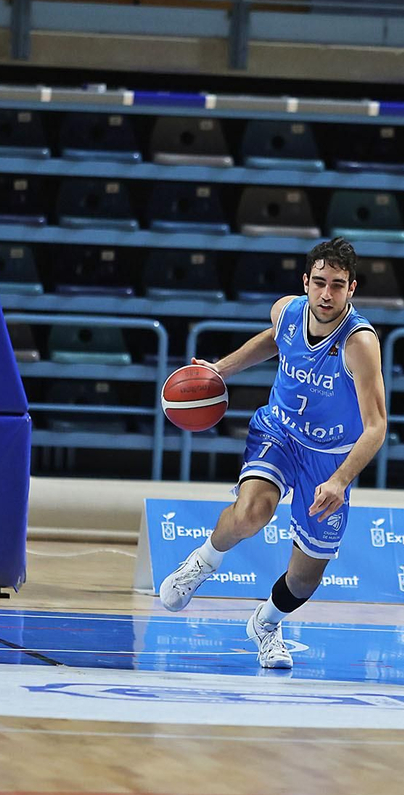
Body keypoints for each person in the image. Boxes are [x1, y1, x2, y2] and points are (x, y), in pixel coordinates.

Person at [159, 238, 387, 669]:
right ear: (305, 282)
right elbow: (272, 339)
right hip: (280, 430)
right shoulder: (288, 310)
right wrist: (220, 368)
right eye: (319, 283)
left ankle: (266, 622)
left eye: (337, 285)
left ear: (352, 289)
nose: (326, 294)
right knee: (251, 513)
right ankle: (202, 562)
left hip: (331, 456)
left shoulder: (359, 343)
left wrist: (339, 479)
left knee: (304, 578)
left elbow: (377, 426)